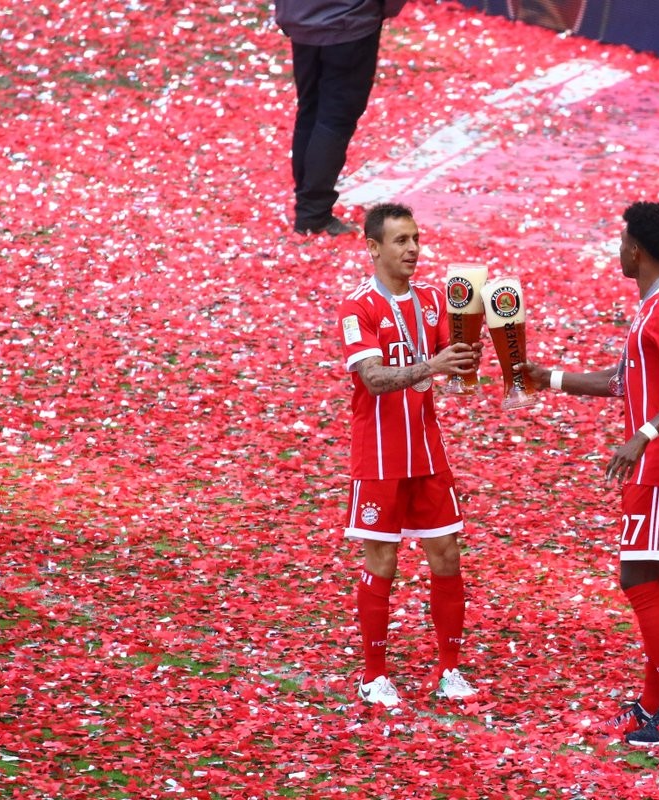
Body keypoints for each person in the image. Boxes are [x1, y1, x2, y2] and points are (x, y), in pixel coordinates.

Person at [521, 202, 659, 747]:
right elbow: (623, 381)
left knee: (636, 579)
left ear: (637, 249)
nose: (618, 250)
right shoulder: (652, 306)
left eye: (622, 242)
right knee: (657, 579)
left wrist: (642, 436)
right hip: (658, 463)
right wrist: (549, 378)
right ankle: (655, 705)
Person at [336, 202, 482, 708]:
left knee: (447, 554)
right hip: (378, 457)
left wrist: (472, 355)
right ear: (373, 248)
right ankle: (373, 675)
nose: (414, 249)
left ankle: (449, 669)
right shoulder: (358, 307)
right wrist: (433, 365)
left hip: (426, 452)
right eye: (401, 240)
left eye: (416, 238)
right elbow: (373, 379)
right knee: (383, 560)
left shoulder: (434, 299)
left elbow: (453, 366)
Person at [273, 0, 408, 237]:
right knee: (333, 118)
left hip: (303, 19)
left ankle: (309, 209)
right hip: (348, 22)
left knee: (310, 111)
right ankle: (313, 213)